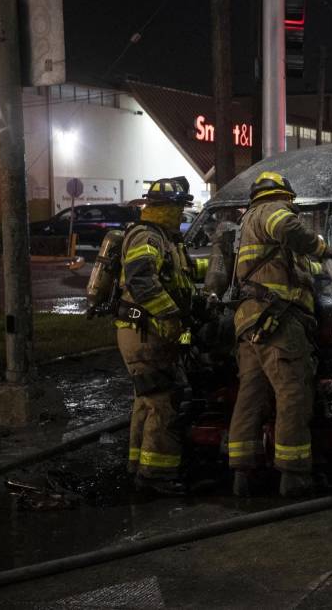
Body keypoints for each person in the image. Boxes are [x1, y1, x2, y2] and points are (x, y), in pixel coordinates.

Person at [228, 171, 332, 498]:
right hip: (278, 321)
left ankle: (243, 475)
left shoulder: (250, 222)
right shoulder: (273, 211)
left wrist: (322, 265)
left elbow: (298, 268)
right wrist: (321, 246)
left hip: (250, 321)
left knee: (252, 394)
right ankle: (294, 476)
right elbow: (290, 229)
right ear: (285, 196)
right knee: (293, 393)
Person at [116, 176, 206, 495]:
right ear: (164, 208)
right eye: (178, 208)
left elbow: (182, 277)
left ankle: (138, 467)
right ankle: (156, 477)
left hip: (149, 333)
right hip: (145, 332)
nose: (181, 215)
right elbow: (142, 282)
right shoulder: (147, 237)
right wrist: (169, 314)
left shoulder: (165, 240)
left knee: (148, 401)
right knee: (165, 401)